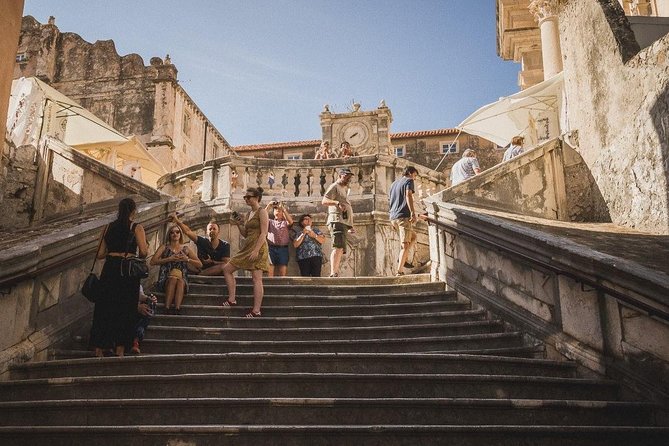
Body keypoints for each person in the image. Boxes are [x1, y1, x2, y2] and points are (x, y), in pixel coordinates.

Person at [90, 197, 149, 357]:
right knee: (125, 308)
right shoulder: (136, 227)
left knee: (105, 307)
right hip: (127, 271)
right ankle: (120, 349)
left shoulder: (107, 227)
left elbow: (100, 254)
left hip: (110, 268)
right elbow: (143, 252)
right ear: (133, 211)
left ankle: (99, 348)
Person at [222, 187, 270, 317]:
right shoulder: (249, 214)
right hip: (248, 246)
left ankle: (256, 310)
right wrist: (238, 224)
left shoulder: (262, 212)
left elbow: (263, 233)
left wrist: (256, 250)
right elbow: (245, 234)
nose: (246, 199)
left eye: (248, 197)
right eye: (245, 197)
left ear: (256, 198)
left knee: (256, 278)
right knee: (227, 269)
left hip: (258, 247)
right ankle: (232, 299)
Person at [150, 224, 202, 314]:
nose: (175, 234)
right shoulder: (164, 247)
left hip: (182, 277)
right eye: (172, 232)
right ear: (169, 235)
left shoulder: (186, 249)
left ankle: (177, 308)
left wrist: (187, 259)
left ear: (180, 234)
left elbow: (200, 264)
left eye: (177, 232)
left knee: (180, 281)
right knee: (173, 279)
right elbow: (152, 262)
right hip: (165, 277)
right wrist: (169, 259)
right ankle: (167, 307)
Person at [321, 168, 354, 277]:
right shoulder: (334, 186)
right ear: (340, 175)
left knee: (340, 248)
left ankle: (335, 272)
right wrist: (336, 202)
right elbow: (324, 201)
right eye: (346, 176)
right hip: (336, 220)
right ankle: (333, 272)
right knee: (337, 247)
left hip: (342, 222)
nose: (348, 179)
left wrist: (350, 225)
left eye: (349, 177)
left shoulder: (343, 188)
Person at [389, 166, 419, 276]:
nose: (415, 178)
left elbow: (391, 200)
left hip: (393, 216)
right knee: (405, 245)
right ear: (410, 173)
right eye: (415, 175)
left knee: (413, 237)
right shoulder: (409, 180)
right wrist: (412, 212)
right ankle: (399, 271)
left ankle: (403, 258)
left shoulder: (394, 184)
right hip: (403, 217)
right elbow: (408, 195)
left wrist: (391, 215)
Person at [265, 200, 294, 277]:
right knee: (270, 271)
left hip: (283, 249)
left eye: (280, 211)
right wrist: (269, 206)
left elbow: (291, 221)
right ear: (273, 212)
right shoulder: (270, 222)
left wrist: (283, 209)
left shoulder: (285, 222)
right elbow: (262, 217)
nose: (278, 211)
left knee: (282, 272)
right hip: (271, 248)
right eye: (276, 210)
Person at [131, 285, 157, 355]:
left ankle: (136, 341)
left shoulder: (137, 284)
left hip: (135, 313)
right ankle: (135, 341)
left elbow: (140, 294)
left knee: (148, 307)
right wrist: (136, 307)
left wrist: (150, 299)